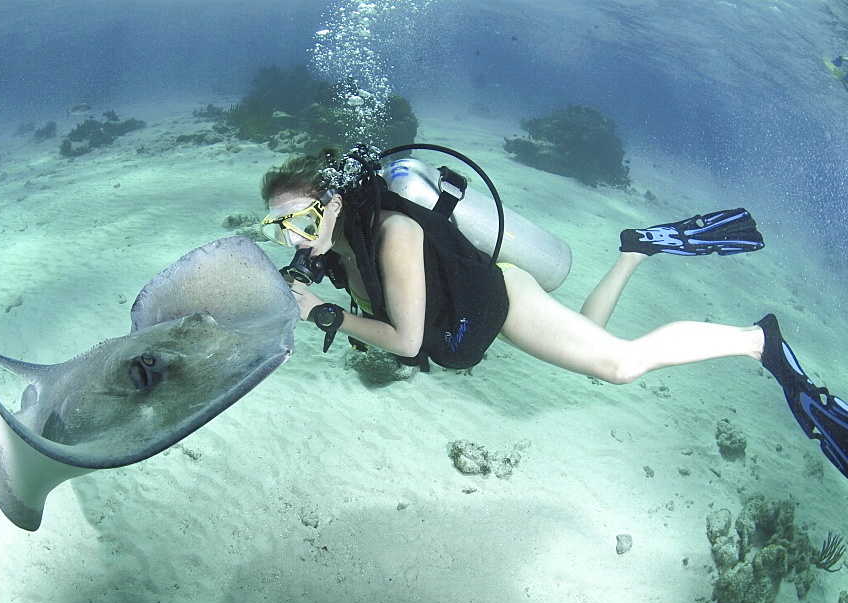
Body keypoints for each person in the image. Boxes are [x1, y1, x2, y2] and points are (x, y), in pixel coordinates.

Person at [258, 146, 848, 479]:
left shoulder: (391, 233)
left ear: (335, 203)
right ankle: (634, 249)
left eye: (300, 221)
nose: (290, 237)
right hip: (478, 310)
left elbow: (407, 340)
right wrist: (303, 278)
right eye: (277, 226)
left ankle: (758, 340)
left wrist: (322, 316)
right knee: (593, 343)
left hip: (502, 300)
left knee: (619, 365)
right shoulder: (335, 246)